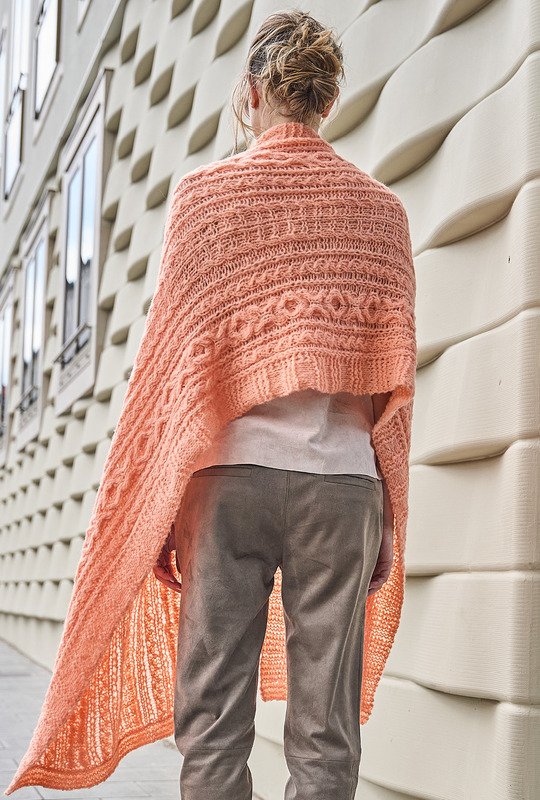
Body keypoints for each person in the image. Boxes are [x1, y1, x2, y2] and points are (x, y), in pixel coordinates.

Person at [153, 10, 397, 800]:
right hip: (342, 485)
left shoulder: (203, 199)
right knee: (328, 729)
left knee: (212, 718)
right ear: (328, 100)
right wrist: (390, 513)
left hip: (227, 482)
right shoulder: (381, 214)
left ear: (252, 93)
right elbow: (392, 386)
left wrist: (161, 505)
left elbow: (172, 369)